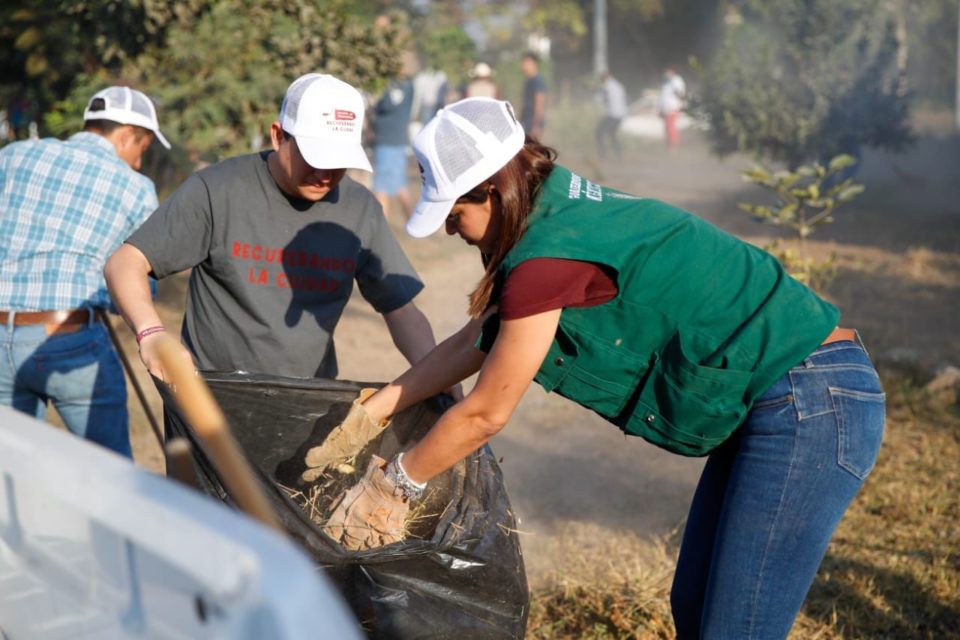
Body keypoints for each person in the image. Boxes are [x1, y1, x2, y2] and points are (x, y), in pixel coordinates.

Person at [320, 98, 886, 638]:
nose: (449, 228)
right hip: (786, 393)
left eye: (455, 211)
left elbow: (487, 412)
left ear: (492, 188)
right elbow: (476, 339)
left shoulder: (547, 254)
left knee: (734, 628)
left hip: (810, 401)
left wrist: (394, 486)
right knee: (695, 606)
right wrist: (370, 415)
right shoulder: (554, 206)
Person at [104, 74, 441, 388]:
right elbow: (126, 262)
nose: (325, 174)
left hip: (308, 402)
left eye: (338, 162)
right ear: (278, 136)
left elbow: (401, 309)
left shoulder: (359, 208)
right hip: (212, 397)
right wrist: (151, 333)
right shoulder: (218, 190)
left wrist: (439, 378)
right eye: (316, 157)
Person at [1, 86, 169, 456]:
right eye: (142, 149)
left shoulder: (13, 156)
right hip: (69, 338)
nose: (140, 162)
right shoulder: (136, 187)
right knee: (112, 473)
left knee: (8, 477)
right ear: (126, 135)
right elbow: (140, 286)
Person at [371, 62, 416, 220]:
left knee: (382, 187)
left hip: (386, 142)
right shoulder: (409, 87)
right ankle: (413, 222)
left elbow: (383, 105)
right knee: (400, 185)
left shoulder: (390, 88)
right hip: (398, 141)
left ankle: (382, 227)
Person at [595, 71, 628, 159]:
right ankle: (619, 154)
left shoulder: (606, 86)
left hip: (612, 114)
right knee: (612, 134)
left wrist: (595, 92)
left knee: (599, 133)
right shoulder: (618, 85)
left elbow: (598, 100)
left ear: (603, 78)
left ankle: (602, 155)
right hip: (621, 114)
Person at [519, 51, 547, 140]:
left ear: (533, 63)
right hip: (526, 122)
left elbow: (540, 102)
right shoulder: (528, 80)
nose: (523, 65)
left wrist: (536, 126)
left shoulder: (537, 80)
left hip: (532, 124)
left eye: (525, 62)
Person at [658, 67, 686, 149]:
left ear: (672, 72)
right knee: (667, 128)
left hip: (672, 108)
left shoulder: (676, 81)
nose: (666, 74)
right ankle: (669, 146)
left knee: (671, 128)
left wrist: (681, 104)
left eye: (668, 72)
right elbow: (662, 97)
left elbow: (679, 93)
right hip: (666, 109)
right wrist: (660, 109)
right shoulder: (666, 83)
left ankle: (673, 147)